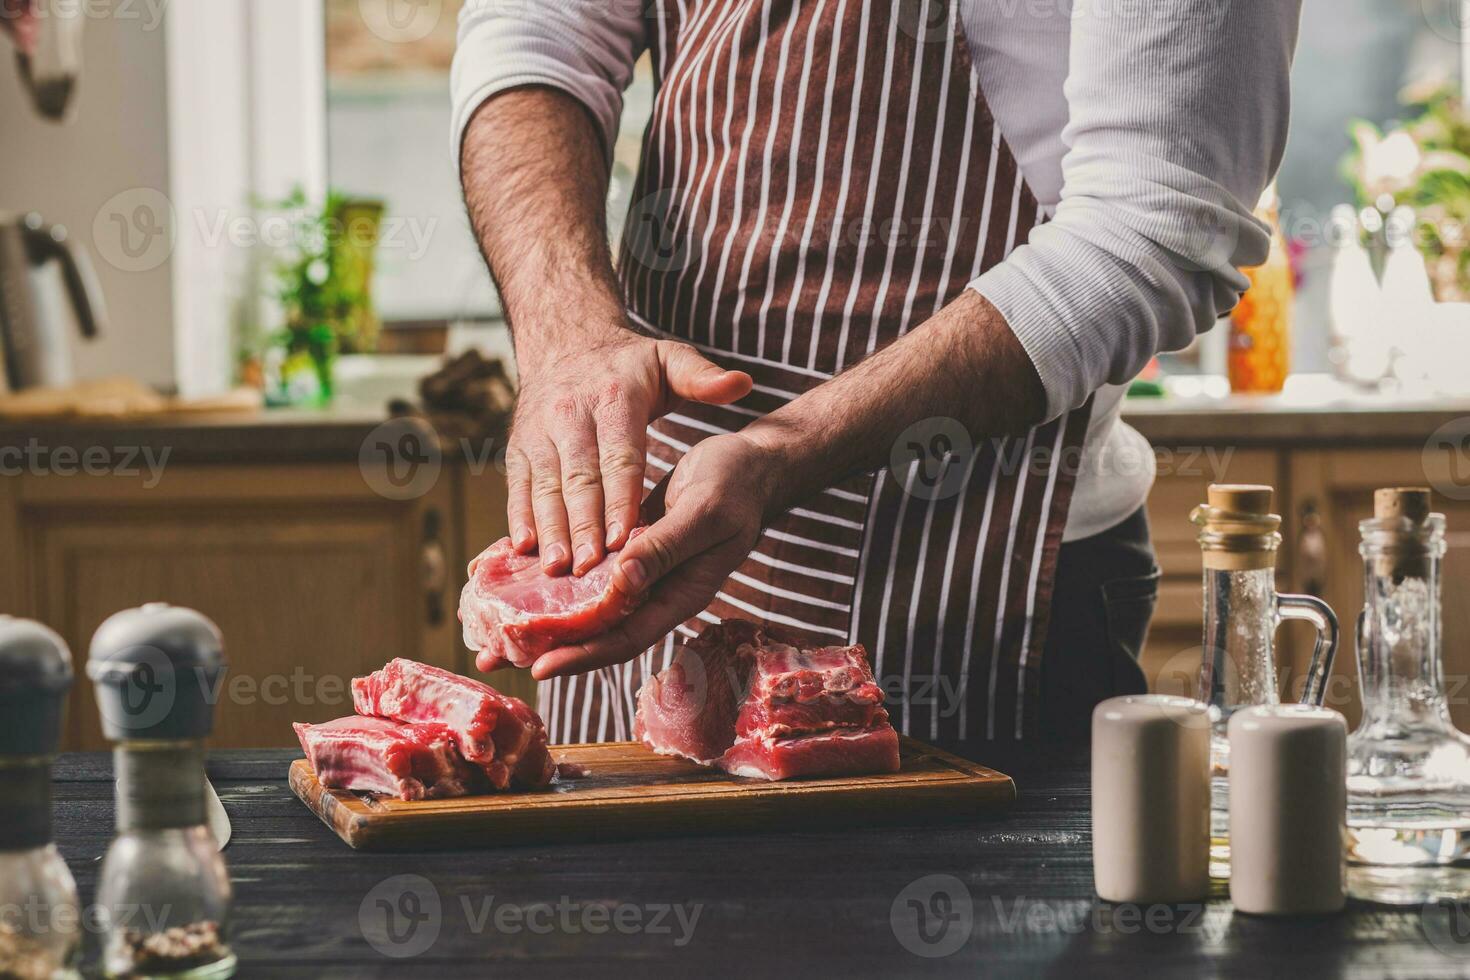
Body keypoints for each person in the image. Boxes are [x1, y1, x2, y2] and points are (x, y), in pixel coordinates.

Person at [454, 0, 1299, 741]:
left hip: (981, 574)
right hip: (636, 556)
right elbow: (536, 30)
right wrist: (569, 338)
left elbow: (1155, 226)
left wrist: (786, 452)